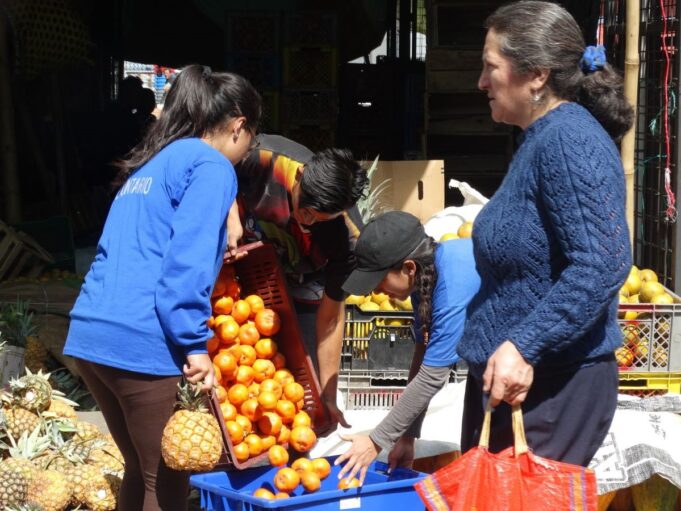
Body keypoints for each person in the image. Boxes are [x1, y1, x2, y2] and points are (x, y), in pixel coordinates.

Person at [63, 64, 261, 511]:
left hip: (93, 335)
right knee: (167, 481)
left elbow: (141, 246)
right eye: (252, 138)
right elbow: (183, 265)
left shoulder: (155, 161)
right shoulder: (211, 166)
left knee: (141, 469)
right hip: (141, 342)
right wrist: (194, 346)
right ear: (239, 126)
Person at [458, 0, 633, 467]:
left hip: (552, 387)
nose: (480, 82)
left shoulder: (568, 140)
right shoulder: (540, 139)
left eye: (490, 67)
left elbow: (604, 262)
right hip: (522, 385)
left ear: (536, 75)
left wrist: (524, 344)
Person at [232, 134, 369, 431]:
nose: (307, 222)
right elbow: (212, 157)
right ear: (300, 176)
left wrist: (328, 395)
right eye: (304, 211)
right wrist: (229, 210)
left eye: (320, 219)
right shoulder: (263, 159)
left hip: (306, 280)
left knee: (302, 379)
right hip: (244, 261)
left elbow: (331, 318)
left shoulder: (347, 237)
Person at [334, 211, 481, 484]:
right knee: (479, 460)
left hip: (542, 366)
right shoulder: (425, 280)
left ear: (409, 268)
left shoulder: (450, 285)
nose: (376, 292)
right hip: (492, 369)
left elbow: (432, 376)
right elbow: (423, 353)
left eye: (379, 281)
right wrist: (406, 435)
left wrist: (376, 441)